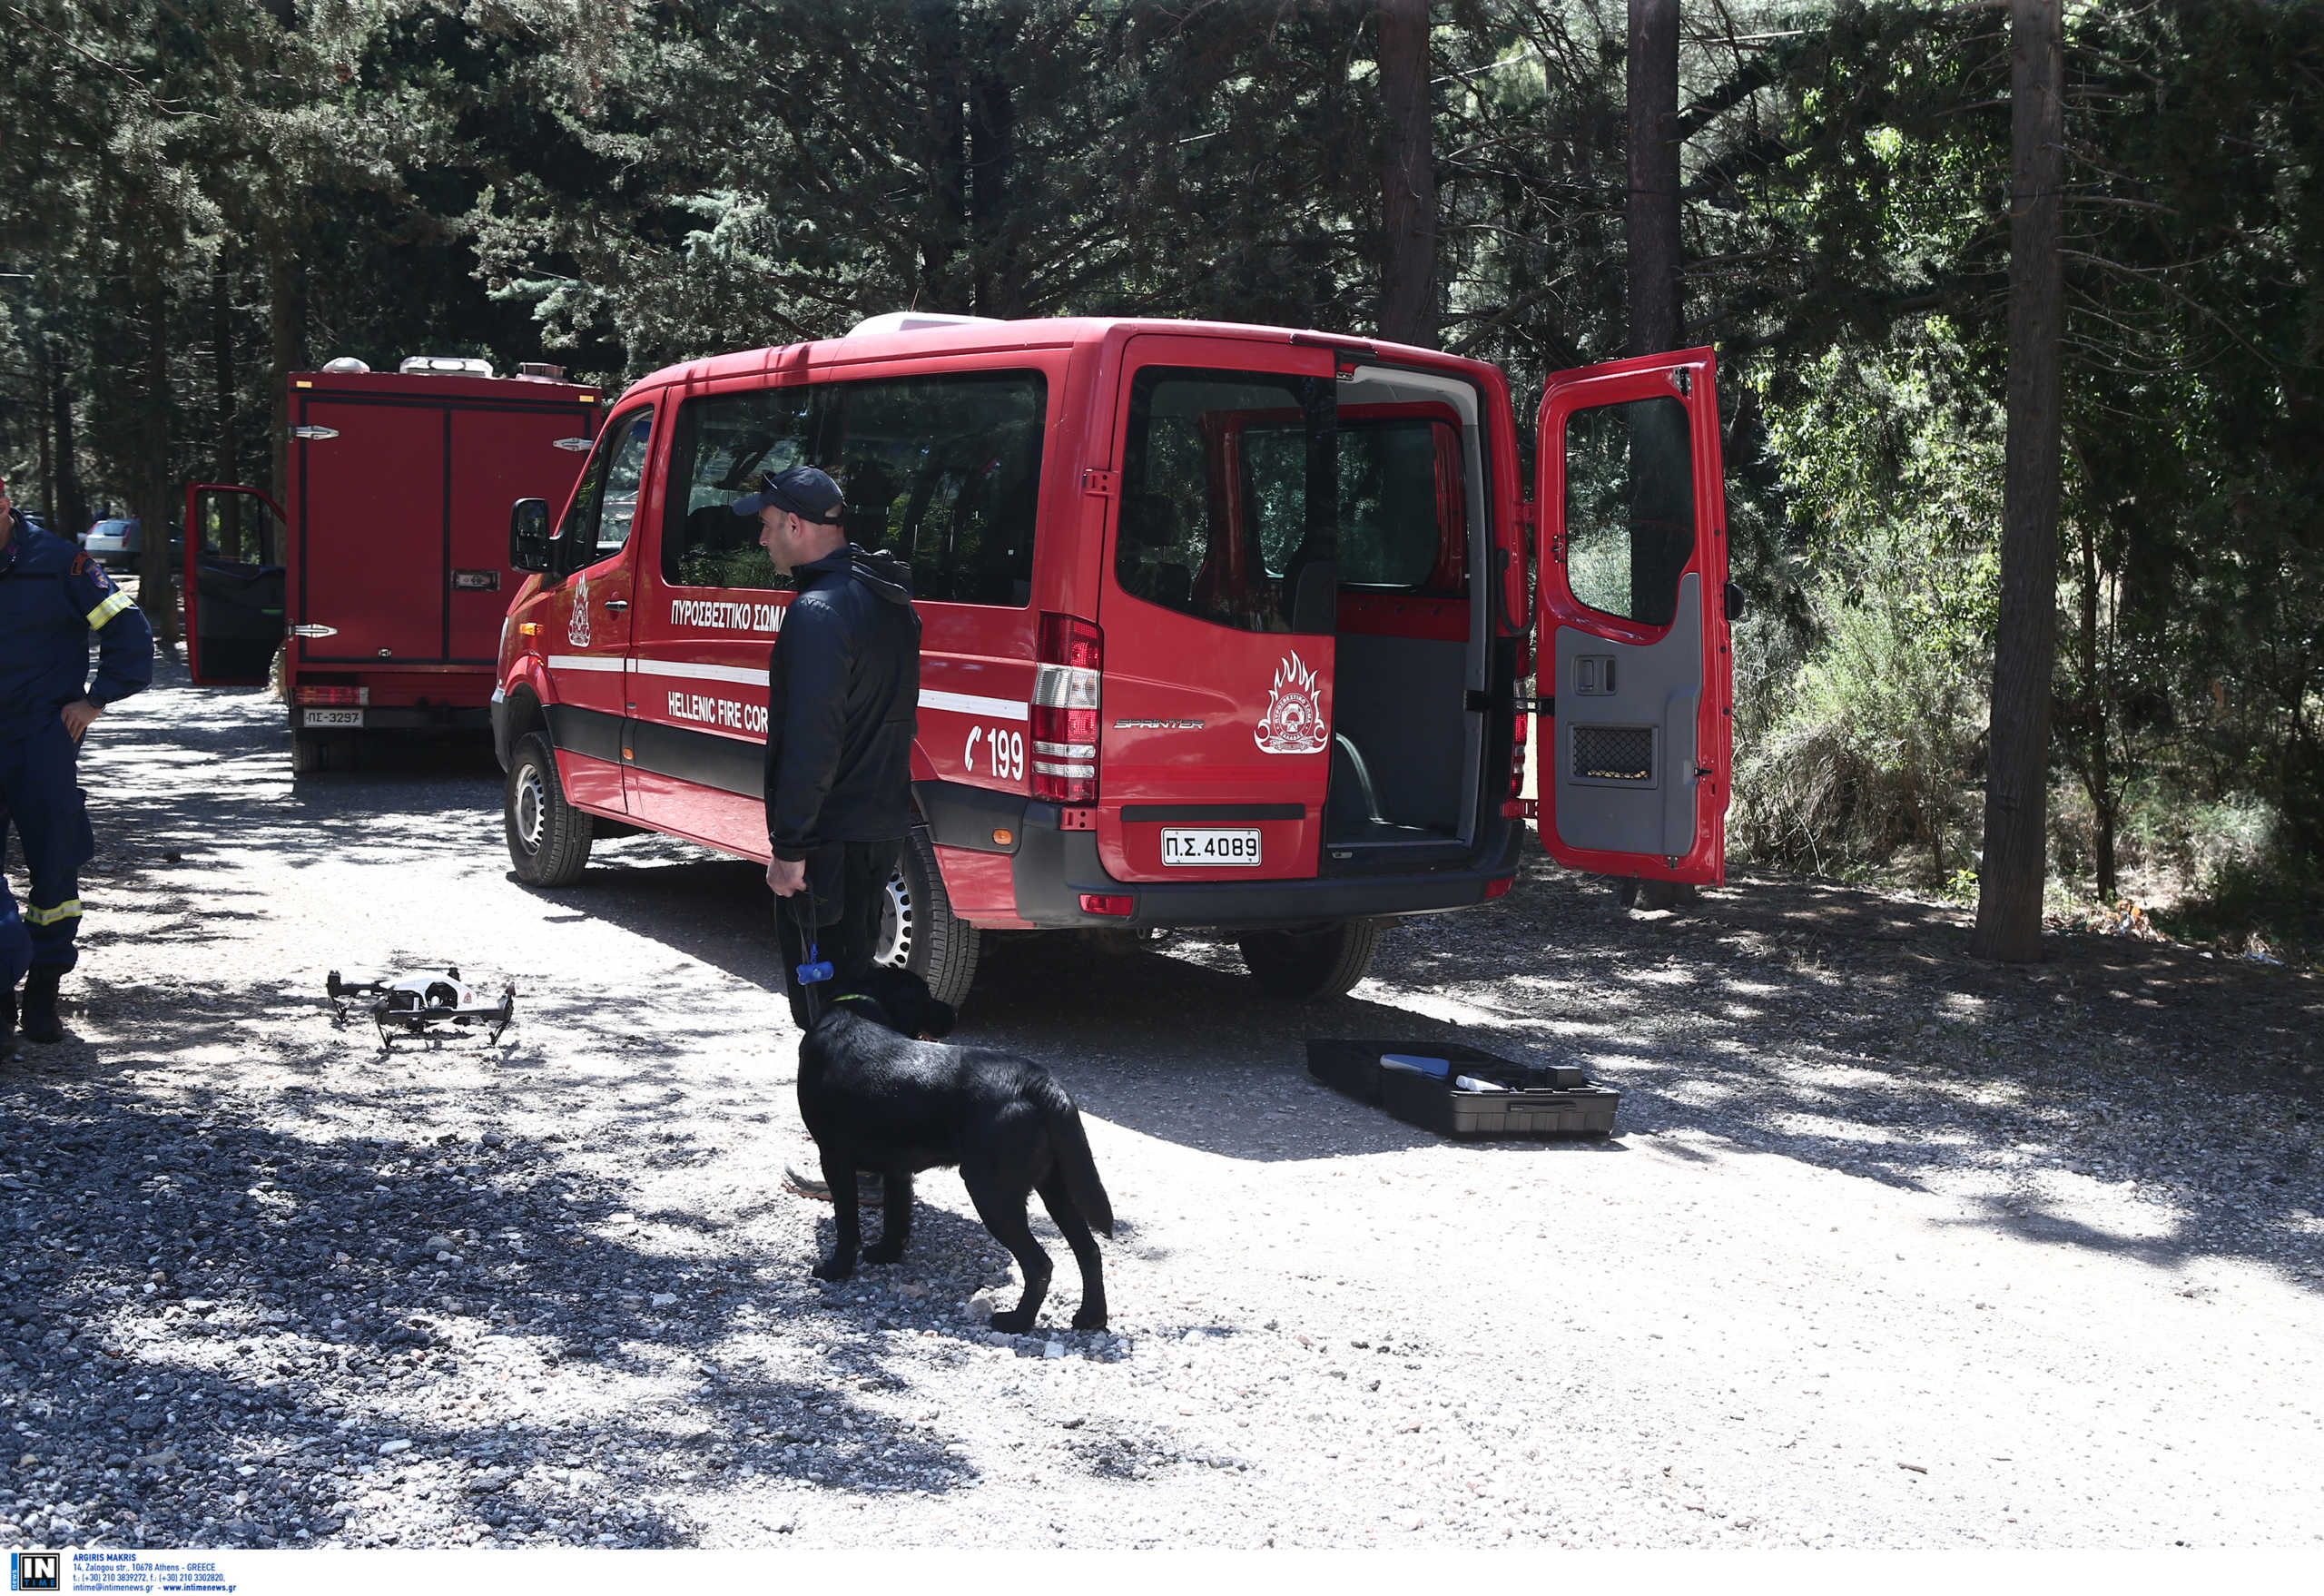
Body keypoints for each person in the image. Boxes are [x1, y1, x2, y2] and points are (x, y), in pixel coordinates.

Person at [736, 464, 920, 1205]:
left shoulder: (818, 611)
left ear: (798, 526)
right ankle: (884, 1152)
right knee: (857, 994)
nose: (760, 533)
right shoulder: (886, 599)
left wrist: (790, 849)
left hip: (828, 843)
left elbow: (813, 741)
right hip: (876, 828)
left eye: (767, 520)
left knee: (829, 1012)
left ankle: (865, 1165)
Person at [0, 475, 154, 1057]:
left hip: (41, 736)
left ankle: (42, 993)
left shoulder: (61, 563)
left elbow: (128, 629)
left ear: (5, 501)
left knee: (54, 873)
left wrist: (96, 700)